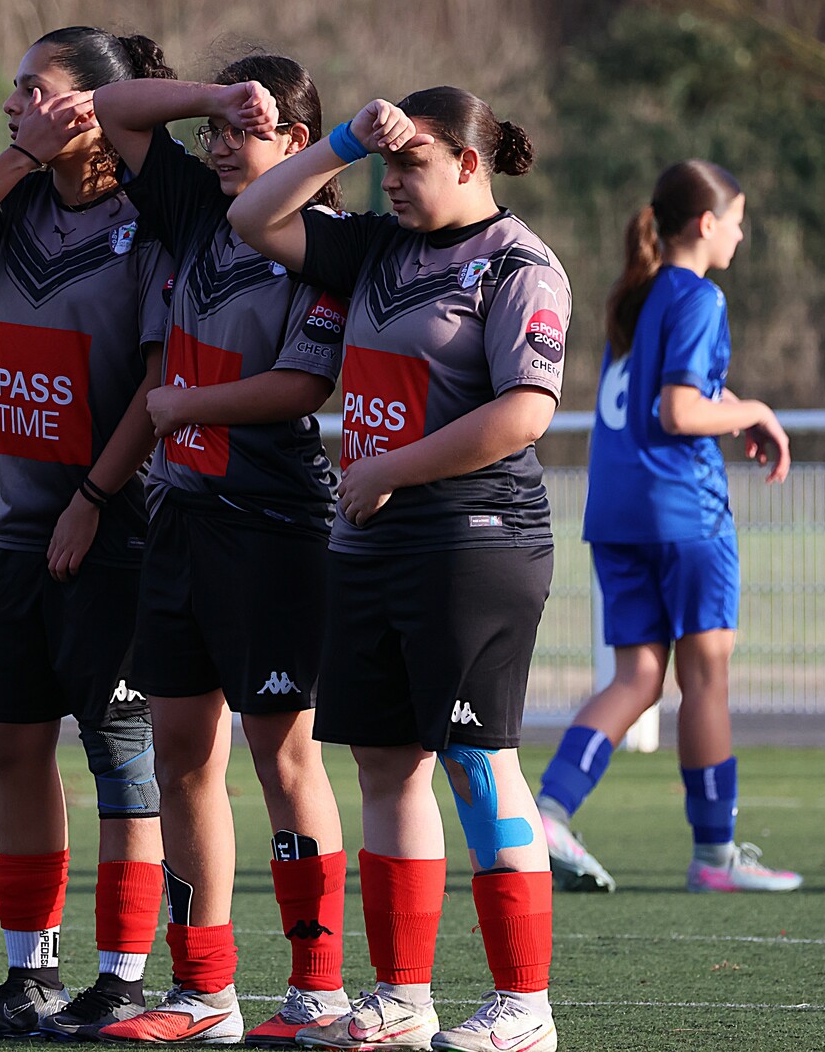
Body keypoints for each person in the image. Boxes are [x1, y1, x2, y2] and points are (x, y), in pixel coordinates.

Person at [230, 88, 569, 1051]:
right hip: (372, 547)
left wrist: (388, 468)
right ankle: (402, 995)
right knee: (385, 762)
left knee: (476, 759)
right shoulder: (375, 246)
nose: (392, 180)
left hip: (475, 540)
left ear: (469, 162)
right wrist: (340, 141)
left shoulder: (520, 265)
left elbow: (525, 414)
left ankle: (524, 1005)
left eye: (411, 161)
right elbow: (253, 217)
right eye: (385, 165)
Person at [0, 26, 173, 1040]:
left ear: (93, 106)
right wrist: (20, 156)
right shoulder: (16, 199)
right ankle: (30, 974)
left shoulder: (152, 218)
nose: (12, 102)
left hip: (114, 524)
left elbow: (158, 382)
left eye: (34, 89)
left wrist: (93, 496)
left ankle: (123, 978)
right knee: (14, 741)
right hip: (14, 524)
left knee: (120, 752)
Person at [83, 57, 353, 1046]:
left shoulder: (324, 241)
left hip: (273, 526)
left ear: (299, 144)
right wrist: (210, 97)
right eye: (218, 131)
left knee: (283, 752)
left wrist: (184, 405)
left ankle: (318, 989)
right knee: (180, 754)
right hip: (180, 522)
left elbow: (302, 386)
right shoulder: (199, 206)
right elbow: (109, 108)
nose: (223, 146)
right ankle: (205, 992)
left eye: (248, 129)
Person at [537, 161, 801, 896]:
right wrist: (755, 410)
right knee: (706, 677)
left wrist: (731, 405)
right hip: (684, 511)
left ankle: (548, 812)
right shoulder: (698, 295)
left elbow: (666, 395)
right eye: (737, 221)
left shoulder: (639, 294)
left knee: (638, 676)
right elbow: (679, 411)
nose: (742, 234)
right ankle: (715, 856)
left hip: (617, 508)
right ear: (706, 224)